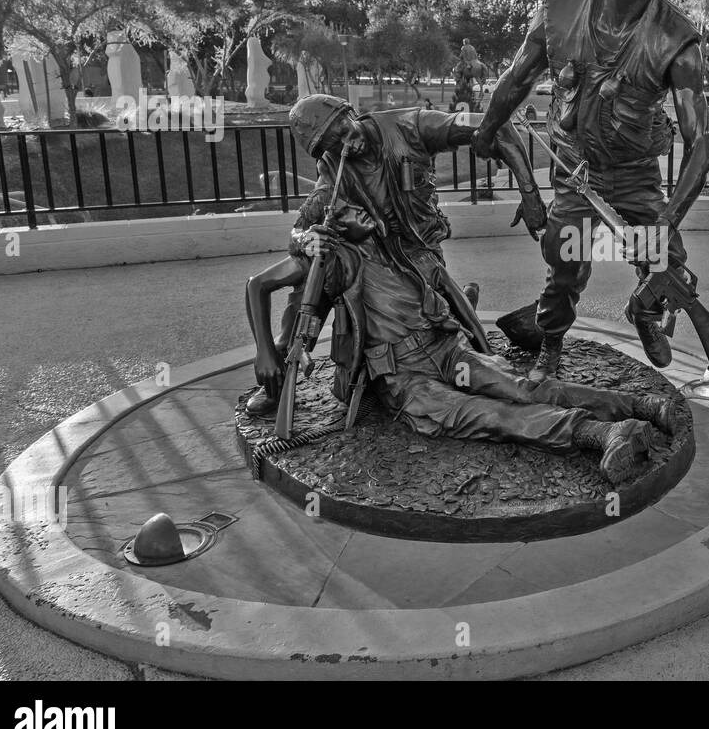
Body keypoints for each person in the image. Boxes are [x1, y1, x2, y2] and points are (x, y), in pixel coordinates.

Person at [243, 93, 669, 484]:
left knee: (517, 387)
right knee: (485, 414)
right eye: (329, 150)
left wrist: (530, 194)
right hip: (403, 374)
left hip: (443, 344)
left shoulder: (408, 134)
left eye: (342, 135)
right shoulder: (334, 244)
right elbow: (278, 270)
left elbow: (495, 126)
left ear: (350, 115)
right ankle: (603, 432)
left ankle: (640, 407)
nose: (343, 152)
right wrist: (305, 251)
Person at [472, 0, 709, 381]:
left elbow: (701, 144)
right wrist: (487, 128)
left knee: (665, 259)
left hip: (635, 174)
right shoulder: (558, 11)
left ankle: (646, 312)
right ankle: (551, 346)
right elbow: (517, 79)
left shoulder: (677, 40)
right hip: (576, 171)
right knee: (565, 258)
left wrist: (667, 219)